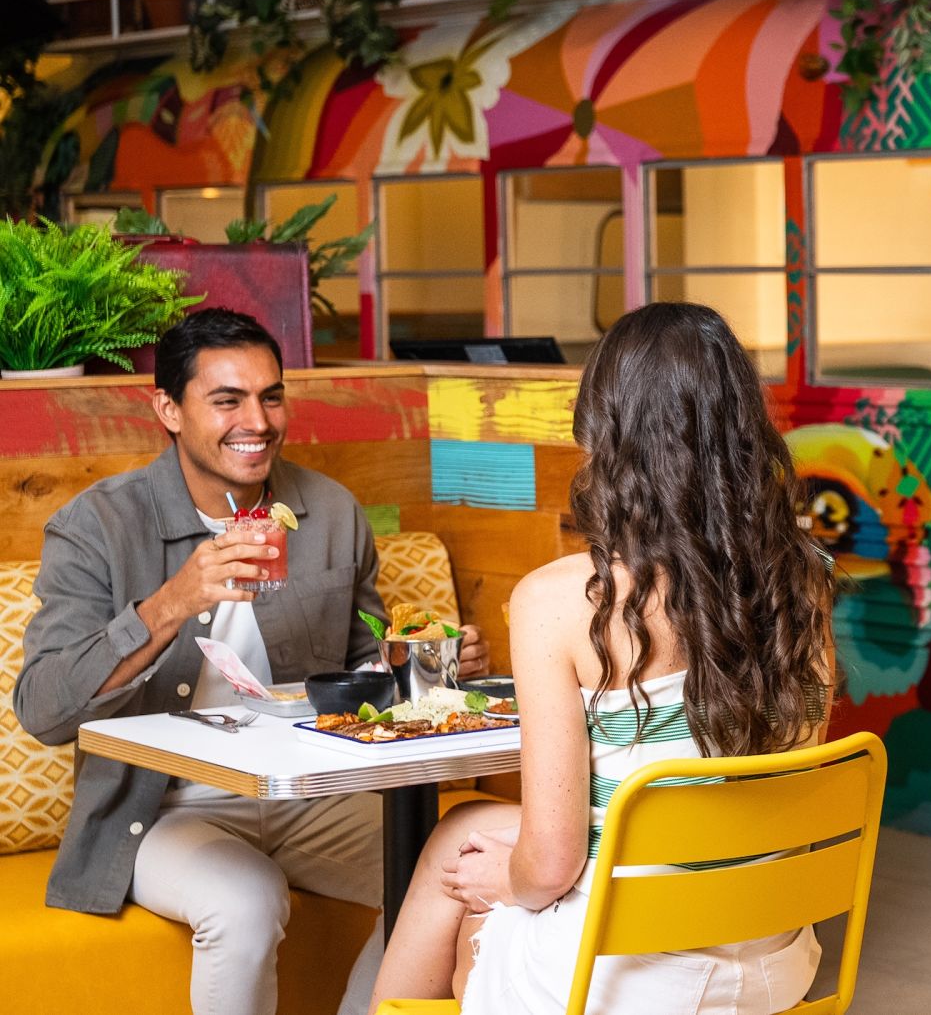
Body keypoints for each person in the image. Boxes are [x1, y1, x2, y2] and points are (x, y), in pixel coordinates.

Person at [13, 306, 487, 1015]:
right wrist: (172, 601)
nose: (257, 421)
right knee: (245, 900)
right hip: (164, 806)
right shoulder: (98, 525)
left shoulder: (328, 511)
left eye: (271, 396)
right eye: (227, 400)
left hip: (310, 795)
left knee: (451, 873)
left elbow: (367, 680)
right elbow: (44, 709)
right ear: (169, 410)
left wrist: (429, 664)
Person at [372, 302, 836, 1014]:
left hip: (635, 976)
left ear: (605, 432)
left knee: (461, 868)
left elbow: (551, 863)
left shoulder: (560, 600)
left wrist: (511, 883)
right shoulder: (801, 580)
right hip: (776, 956)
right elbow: (753, 793)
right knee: (463, 832)